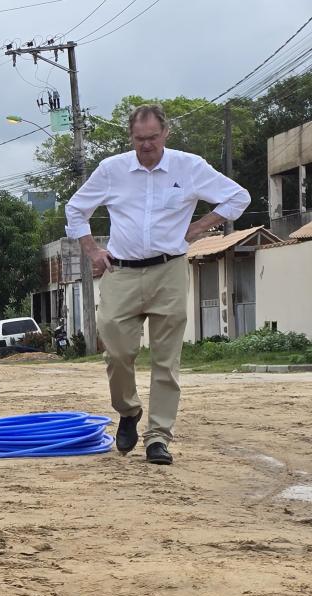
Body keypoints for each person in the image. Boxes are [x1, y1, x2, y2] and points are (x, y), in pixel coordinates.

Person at [65, 103, 249, 466]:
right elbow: (76, 208)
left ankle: (158, 437)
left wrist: (200, 226)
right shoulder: (112, 170)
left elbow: (238, 196)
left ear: (166, 133)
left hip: (170, 270)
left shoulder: (189, 166)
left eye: (152, 137)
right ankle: (128, 410)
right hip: (122, 271)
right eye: (139, 138)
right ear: (130, 137)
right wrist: (92, 250)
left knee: (167, 359)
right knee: (116, 350)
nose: (146, 145)